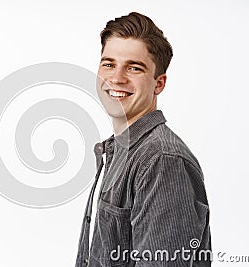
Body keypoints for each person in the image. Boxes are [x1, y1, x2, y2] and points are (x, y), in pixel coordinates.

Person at [75, 12, 211, 266]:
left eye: (134, 67)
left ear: (159, 84)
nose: (116, 78)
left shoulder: (162, 161)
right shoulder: (119, 151)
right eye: (108, 64)